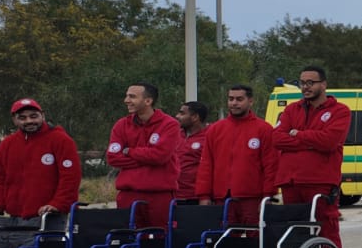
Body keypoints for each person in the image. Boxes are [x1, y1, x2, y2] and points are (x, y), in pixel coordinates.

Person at [273, 65, 351, 248]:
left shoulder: (340, 111)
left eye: (310, 82)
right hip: (291, 182)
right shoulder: (292, 109)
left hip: (320, 182)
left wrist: (297, 134)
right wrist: (311, 140)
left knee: (326, 230)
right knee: (295, 233)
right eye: (302, 83)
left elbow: (329, 141)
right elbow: (276, 139)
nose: (305, 87)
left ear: (323, 84)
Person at [195, 84, 277, 227]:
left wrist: (268, 195)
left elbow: (271, 165)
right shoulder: (215, 129)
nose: (234, 103)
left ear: (250, 101)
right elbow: (206, 164)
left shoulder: (264, 129)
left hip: (253, 198)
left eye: (239, 99)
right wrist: (204, 195)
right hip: (222, 198)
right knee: (224, 237)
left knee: (255, 236)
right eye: (231, 99)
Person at [106, 82, 183, 230]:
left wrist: (129, 151)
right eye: (127, 96)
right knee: (128, 237)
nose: (126, 100)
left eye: (132, 96)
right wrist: (147, 158)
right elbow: (113, 158)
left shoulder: (169, 124)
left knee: (161, 237)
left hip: (159, 195)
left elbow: (160, 156)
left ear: (148, 101)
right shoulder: (121, 125)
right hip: (128, 194)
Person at [0, 98, 82, 220]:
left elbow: (70, 177)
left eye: (33, 116)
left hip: (49, 216)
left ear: (42, 115)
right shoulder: (7, 144)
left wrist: (58, 203)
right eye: (22, 118)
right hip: (15, 217)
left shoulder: (60, 140)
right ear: (14, 120)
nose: (29, 121)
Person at [175, 100, 209, 201]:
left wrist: (205, 196)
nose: (177, 116)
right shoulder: (175, 135)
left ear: (195, 117)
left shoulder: (209, 136)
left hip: (194, 196)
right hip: (173, 195)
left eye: (182, 113)